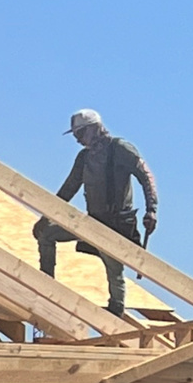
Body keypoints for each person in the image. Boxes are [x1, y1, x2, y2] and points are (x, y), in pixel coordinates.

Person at [33, 110, 157, 318]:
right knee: (47, 234)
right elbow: (68, 188)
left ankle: (116, 311)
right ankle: (47, 287)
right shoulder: (84, 158)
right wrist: (46, 217)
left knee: (113, 266)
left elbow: (146, 176)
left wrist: (151, 209)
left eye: (80, 134)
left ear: (94, 128)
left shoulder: (120, 149)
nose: (77, 140)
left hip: (116, 223)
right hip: (92, 222)